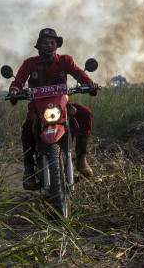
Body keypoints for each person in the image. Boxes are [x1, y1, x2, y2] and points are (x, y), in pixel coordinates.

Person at [7, 28, 100, 190]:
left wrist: (89, 83)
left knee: (85, 113)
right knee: (28, 127)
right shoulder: (30, 63)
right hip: (37, 105)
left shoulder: (65, 61)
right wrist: (14, 91)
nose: (49, 46)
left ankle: (81, 158)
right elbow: (19, 80)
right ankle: (29, 169)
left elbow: (78, 74)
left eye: (52, 43)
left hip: (61, 104)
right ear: (39, 45)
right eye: (45, 43)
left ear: (57, 45)